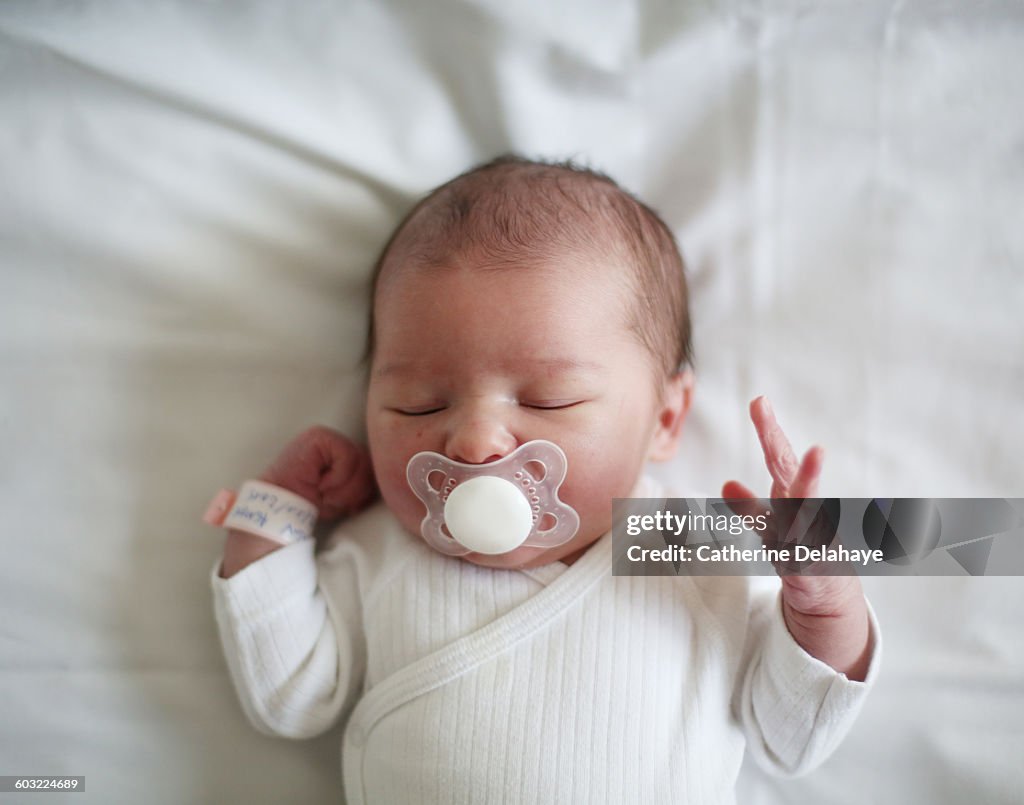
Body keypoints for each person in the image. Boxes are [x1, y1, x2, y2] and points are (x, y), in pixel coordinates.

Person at [209, 155, 879, 804]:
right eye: (419, 402)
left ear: (665, 417)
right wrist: (277, 508)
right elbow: (287, 697)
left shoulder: (688, 544)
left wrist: (822, 608)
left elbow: (791, 740)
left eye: (549, 399)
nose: (473, 441)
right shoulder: (382, 548)